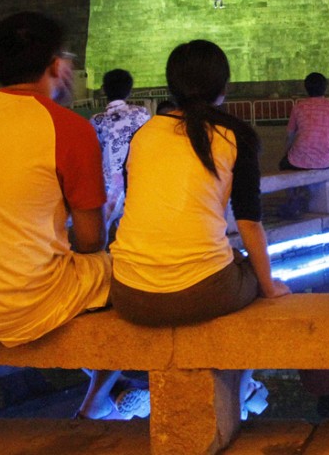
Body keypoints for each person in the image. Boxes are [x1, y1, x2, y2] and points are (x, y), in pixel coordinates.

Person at [0, 12, 143, 420]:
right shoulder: (67, 128)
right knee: (139, 272)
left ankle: (107, 388)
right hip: (21, 303)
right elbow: (90, 242)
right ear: (55, 65)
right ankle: (104, 394)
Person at [109, 40, 290, 421]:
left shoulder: (143, 136)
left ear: (170, 86)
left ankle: (232, 391)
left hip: (129, 293)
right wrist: (269, 284)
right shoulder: (232, 136)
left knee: (232, 264)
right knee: (251, 273)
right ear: (222, 86)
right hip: (204, 291)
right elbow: (249, 222)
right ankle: (244, 388)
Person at [90, 69, 151, 234]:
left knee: (100, 238)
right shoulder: (141, 114)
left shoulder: (96, 121)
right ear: (130, 90)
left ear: (104, 89)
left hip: (107, 188)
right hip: (135, 185)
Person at [283, 72, 329, 170]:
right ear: (325, 87)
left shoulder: (298, 107)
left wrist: (286, 154)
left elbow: (290, 136)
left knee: (282, 164)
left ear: (306, 88)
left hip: (298, 161)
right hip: (324, 161)